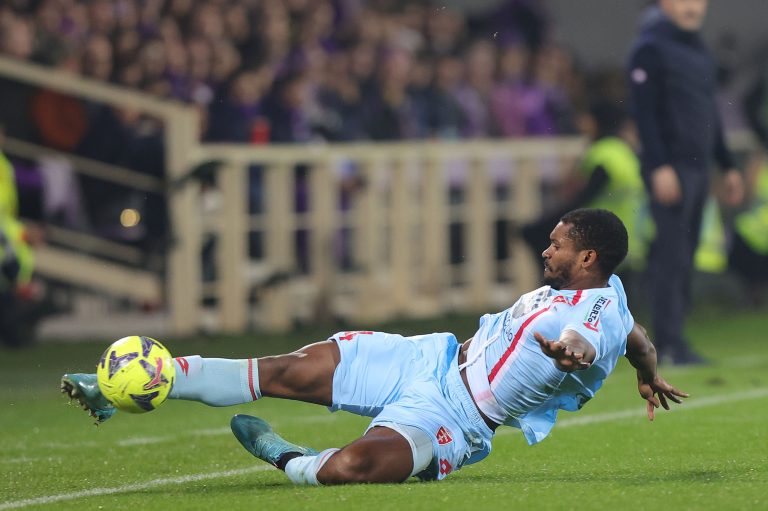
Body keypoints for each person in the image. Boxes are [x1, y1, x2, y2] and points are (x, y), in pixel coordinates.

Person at [62, 209, 687, 485]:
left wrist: (570, 355)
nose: (545, 252)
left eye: (556, 245)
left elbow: (590, 338)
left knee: (351, 469)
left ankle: (287, 459)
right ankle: (137, 383)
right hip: (432, 358)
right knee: (290, 370)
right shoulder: (615, 296)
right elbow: (634, 336)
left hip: (456, 419)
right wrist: (648, 371)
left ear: (586, 256)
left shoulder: (592, 316)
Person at [627, 0, 744, 365]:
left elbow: (710, 111)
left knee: (684, 256)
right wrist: (659, 164)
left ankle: (674, 338)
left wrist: (726, 164)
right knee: (670, 256)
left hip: (698, 167)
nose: (691, 6)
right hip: (671, 166)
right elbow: (643, 112)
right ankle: (665, 342)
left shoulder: (697, 48)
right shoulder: (650, 47)